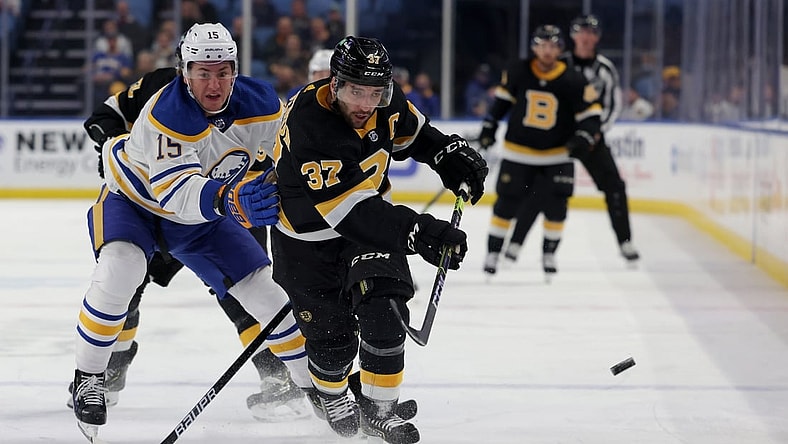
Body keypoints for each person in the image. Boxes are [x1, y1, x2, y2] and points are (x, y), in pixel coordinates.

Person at [70, 23, 312, 441]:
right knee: (122, 272)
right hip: (138, 202)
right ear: (184, 70)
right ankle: (91, 375)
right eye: (203, 71)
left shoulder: (260, 102)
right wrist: (233, 201)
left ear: (236, 70)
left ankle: (318, 387)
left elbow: (284, 159)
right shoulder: (168, 107)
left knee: (262, 288)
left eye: (223, 71)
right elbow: (175, 192)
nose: (214, 82)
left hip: (204, 205)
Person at [272, 36, 488, 443]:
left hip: (366, 228)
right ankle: (334, 394)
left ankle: (379, 409)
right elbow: (351, 214)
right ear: (334, 84)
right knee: (332, 345)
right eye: (356, 91)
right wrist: (421, 232)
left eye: (376, 92)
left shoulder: (384, 102)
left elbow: (418, 135)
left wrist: (447, 154)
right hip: (307, 241)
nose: (366, 103)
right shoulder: (311, 123)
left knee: (385, 307)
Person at [501, 15, 640, 268]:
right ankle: (516, 244)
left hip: (592, 140)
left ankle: (625, 242)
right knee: (541, 189)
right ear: (573, 37)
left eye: (591, 33)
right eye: (581, 32)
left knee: (614, 187)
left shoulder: (605, 69)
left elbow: (612, 105)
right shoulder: (558, 63)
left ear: (597, 37)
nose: (587, 38)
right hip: (558, 142)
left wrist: (593, 133)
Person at [478, 25, 601, 277]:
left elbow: (592, 115)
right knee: (506, 203)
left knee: (557, 206)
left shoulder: (573, 79)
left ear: (560, 49)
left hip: (557, 154)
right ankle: (493, 251)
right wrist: (489, 127)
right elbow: (501, 104)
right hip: (518, 153)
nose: (547, 51)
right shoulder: (518, 71)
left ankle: (549, 253)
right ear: (534, 48)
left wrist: (583, 136)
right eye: (542, 46)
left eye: (553, 46)